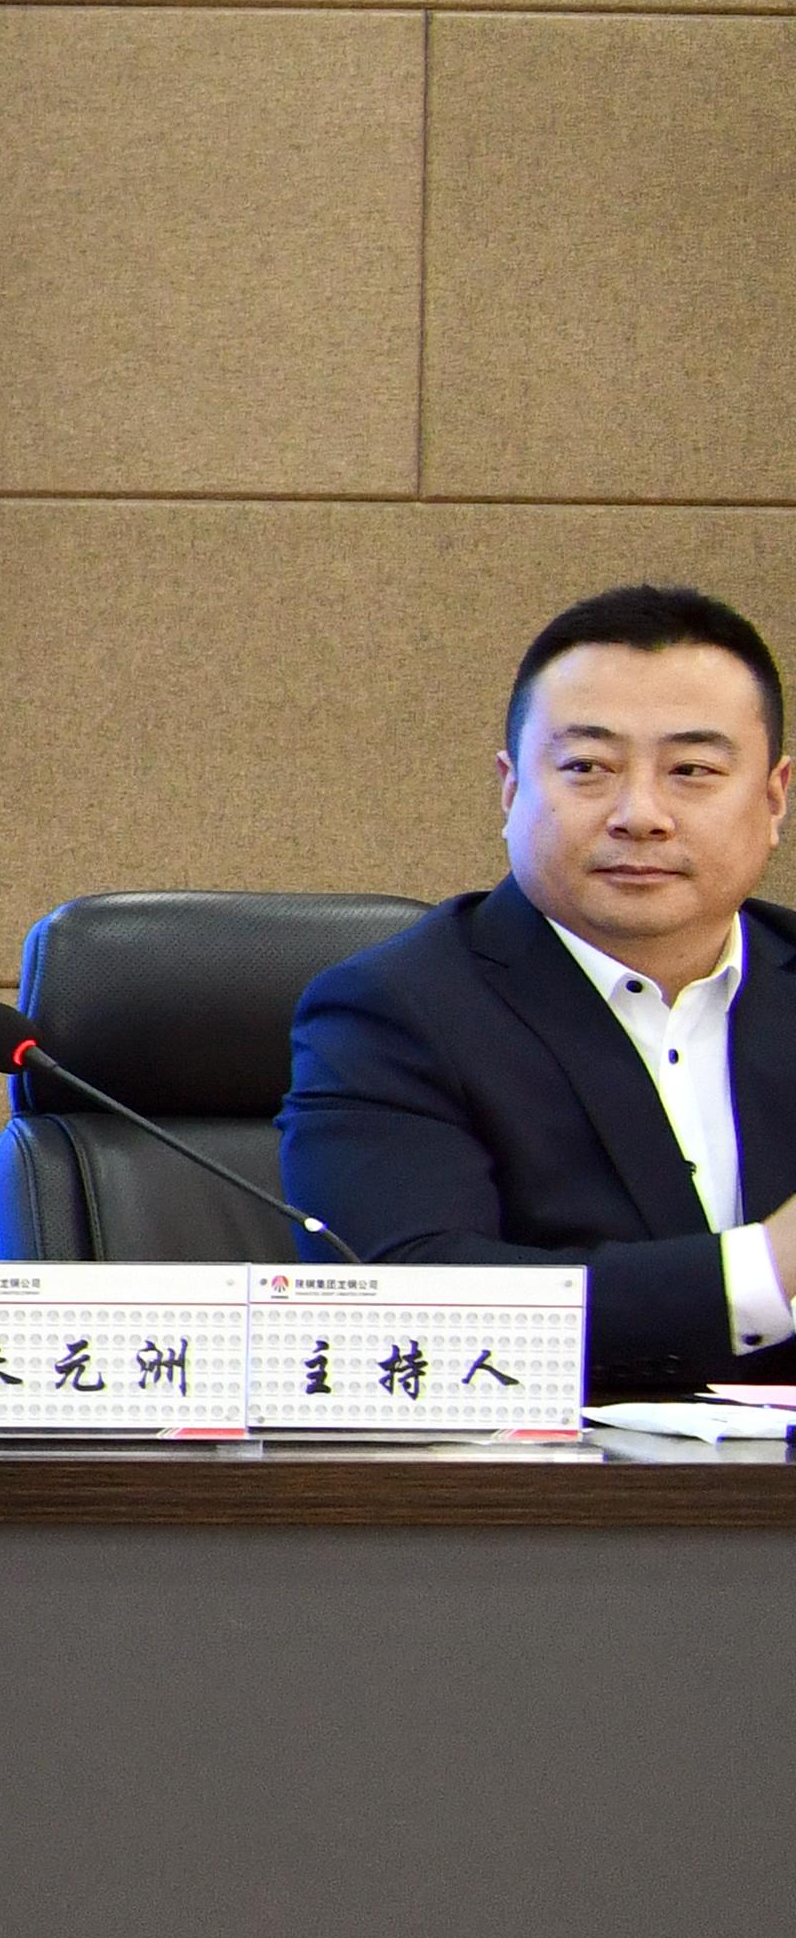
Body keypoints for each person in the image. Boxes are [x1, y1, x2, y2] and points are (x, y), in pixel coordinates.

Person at [278, 583, 796, 1396]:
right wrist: (766, 1270)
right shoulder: (393, 1012)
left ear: (773, 799)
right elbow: (402, 1301)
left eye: (692, 771)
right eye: (588, 767)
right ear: (512, 788)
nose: (641, 814)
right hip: (548, 1473)